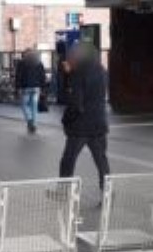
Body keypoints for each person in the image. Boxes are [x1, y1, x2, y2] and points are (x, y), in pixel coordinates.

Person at [58, 43, 110, 189]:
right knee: (101, 161)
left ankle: (64, 191)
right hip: (99, 123)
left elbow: (75, 102)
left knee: (68, 160)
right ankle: (107, 192)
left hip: (80, 127)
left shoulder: (78, 73)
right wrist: (69, 74)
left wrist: (66, 120)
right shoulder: (102, 70)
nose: (69, 58)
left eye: (72, 55)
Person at [15, 48, 46, 134]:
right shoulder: (39, 62)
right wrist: (43, 87)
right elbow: (42, 76)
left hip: (25, 87)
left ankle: (29, 120)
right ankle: (34, 124)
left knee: (24, 105)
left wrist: (18, 87)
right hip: (36, 88)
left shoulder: (22, 63)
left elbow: (18, 76)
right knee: (34, 106)